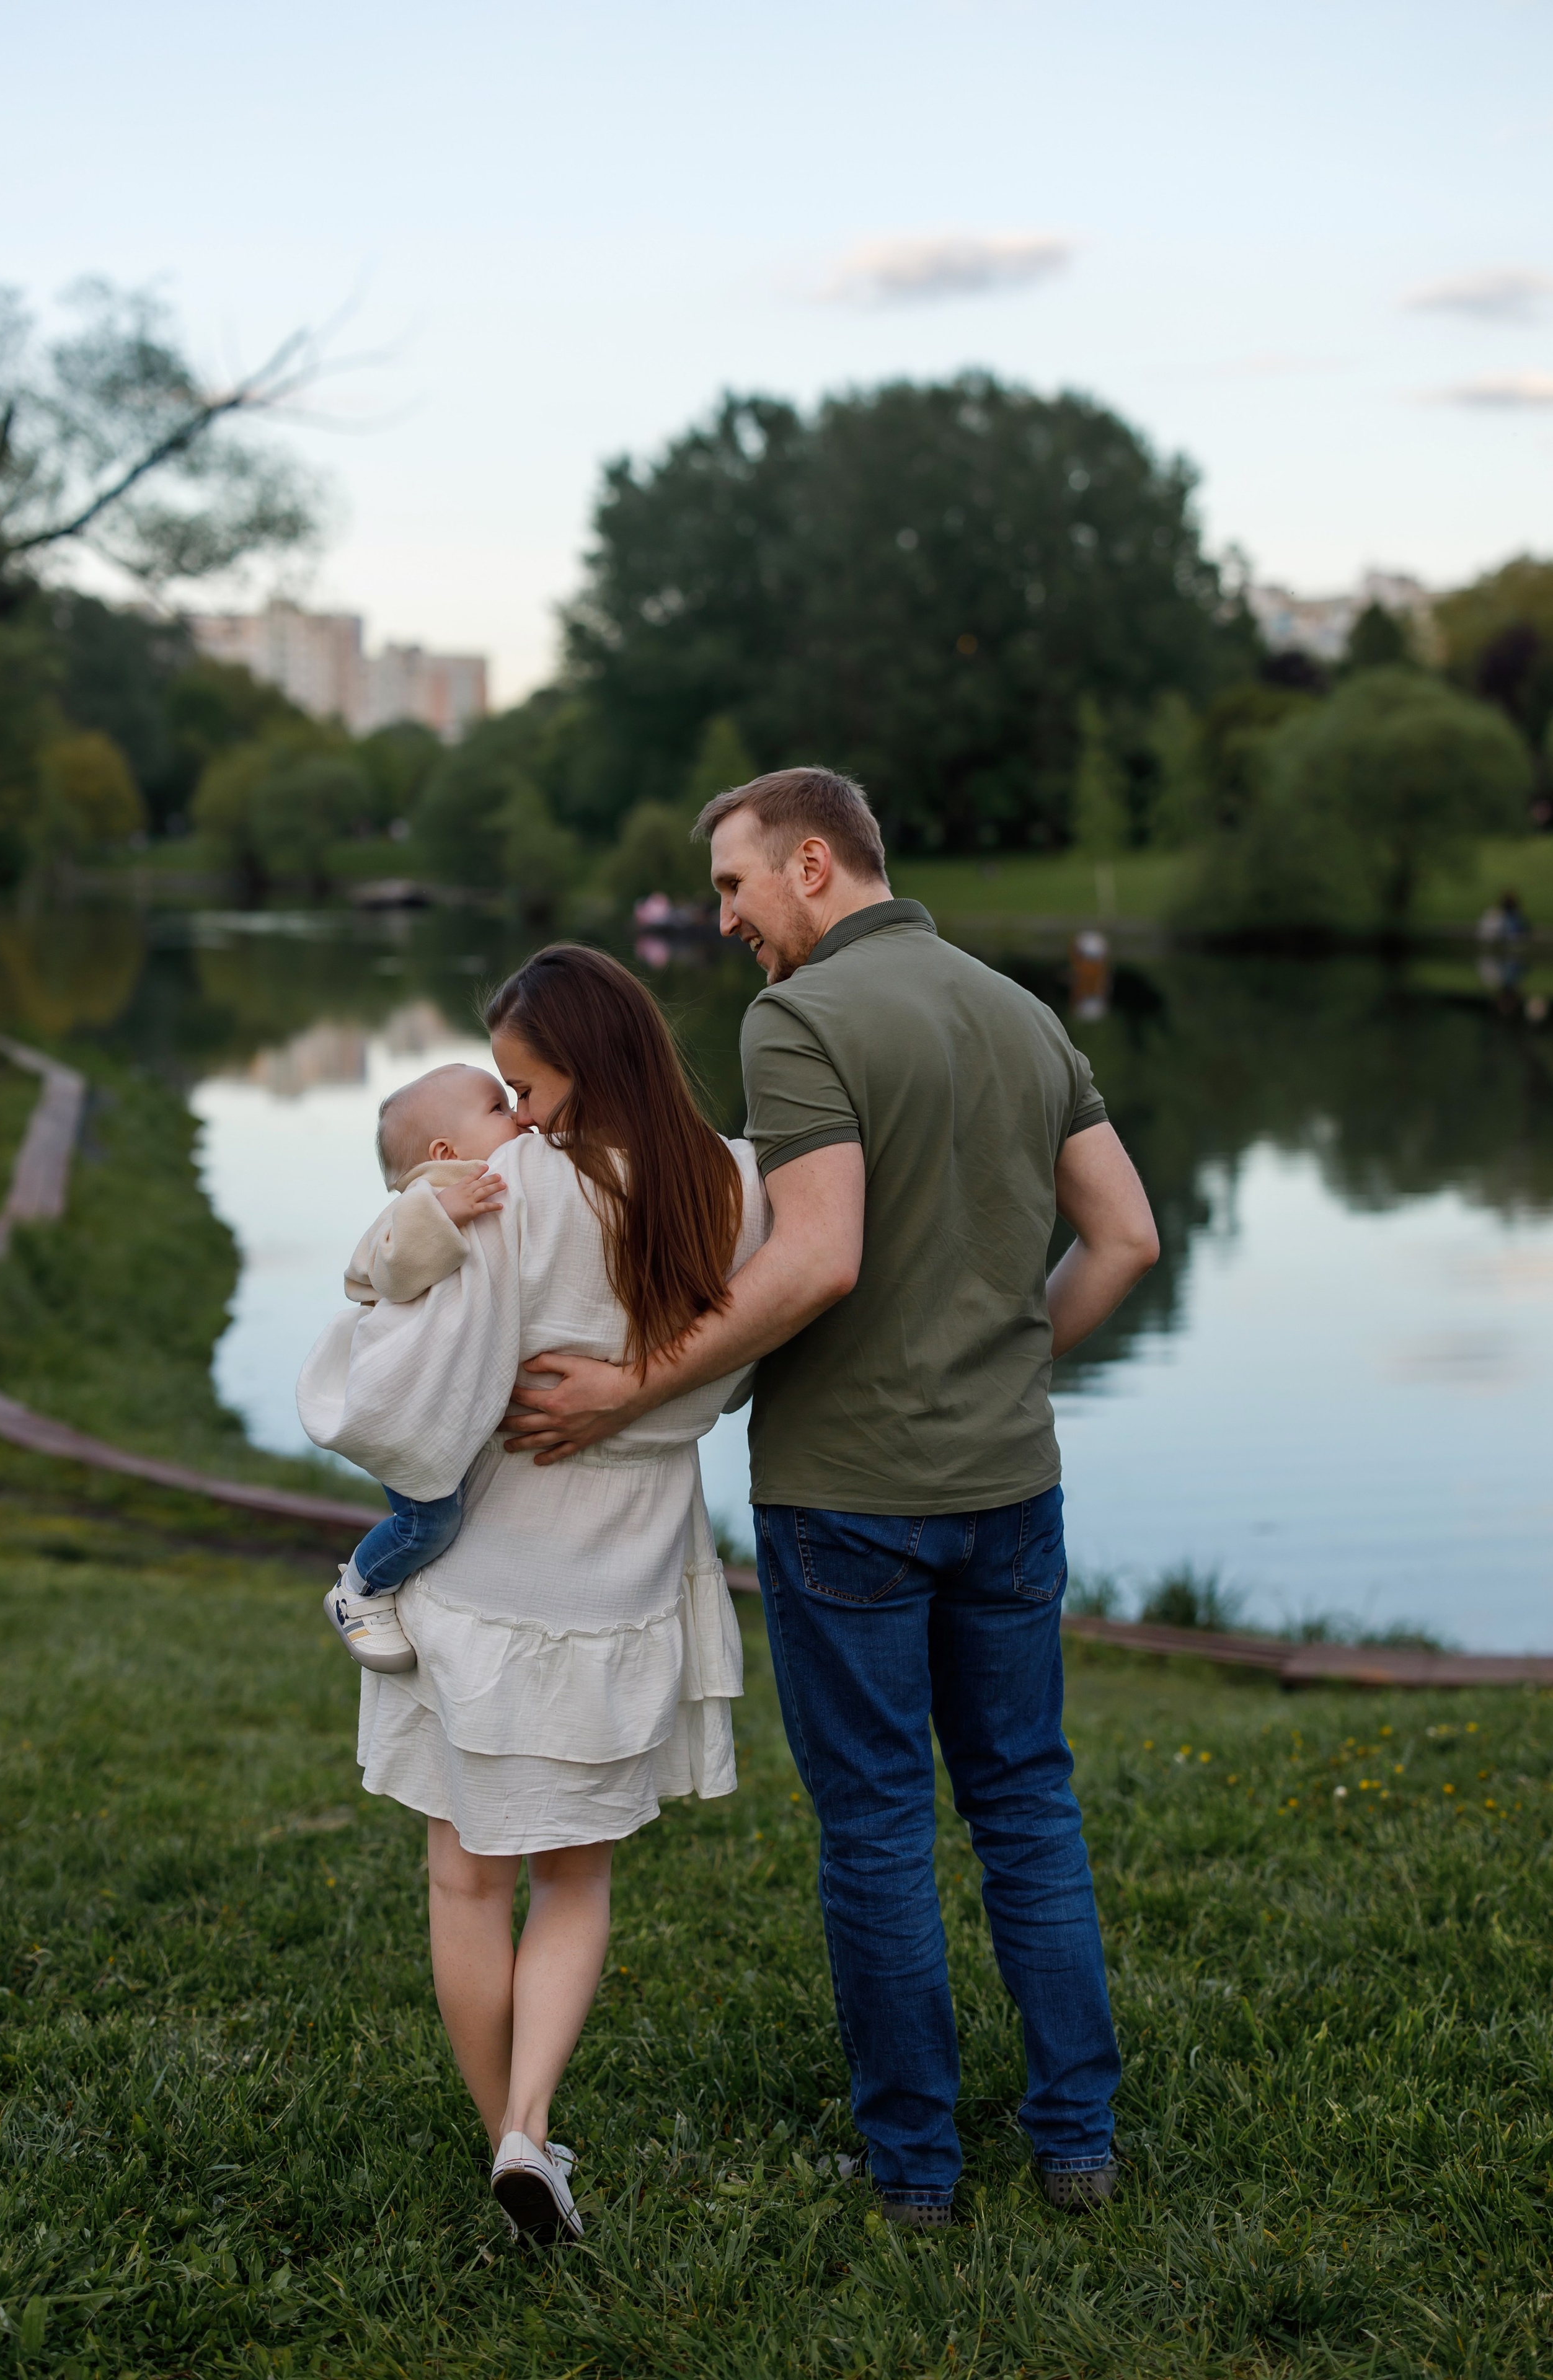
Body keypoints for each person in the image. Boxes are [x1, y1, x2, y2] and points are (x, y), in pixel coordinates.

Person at [500, 767, 1161, 2229]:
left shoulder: (798, 1019)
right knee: (1025, 1808)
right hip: (1008, 1484)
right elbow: (1122, 1236)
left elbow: (815, 1260)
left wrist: (623, 1386)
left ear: (812, 863)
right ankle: (1076, 2148)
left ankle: (917, 2172)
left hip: (848, 1498)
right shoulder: (1017, 1009)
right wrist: (1006, 1354)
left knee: (873, 1826)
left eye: (732, 886)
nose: (722, 917)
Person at [296, 950, 769, 2244]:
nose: (520, 1110)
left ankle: (503, 2131)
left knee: (465, 1878)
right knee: (573, 1874)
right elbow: (732, 1360)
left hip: (489, 1568)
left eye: (522, 1082)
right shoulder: (731, 1182)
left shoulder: (508, 1189)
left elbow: (397, 1359)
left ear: (579, 1062)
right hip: (625, 1562)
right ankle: (528, 2125)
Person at [323, 1062, 515, 1674]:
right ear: (444, 1152)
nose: (519, 1119)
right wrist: (445, 1211)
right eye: (499, 1108)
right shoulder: (419, 1205)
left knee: (451, 1509)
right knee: (428, 1522)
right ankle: (359, 1590)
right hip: (402, 1397)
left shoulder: (481, 1185)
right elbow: (394, 1269)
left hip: (444, 1398)